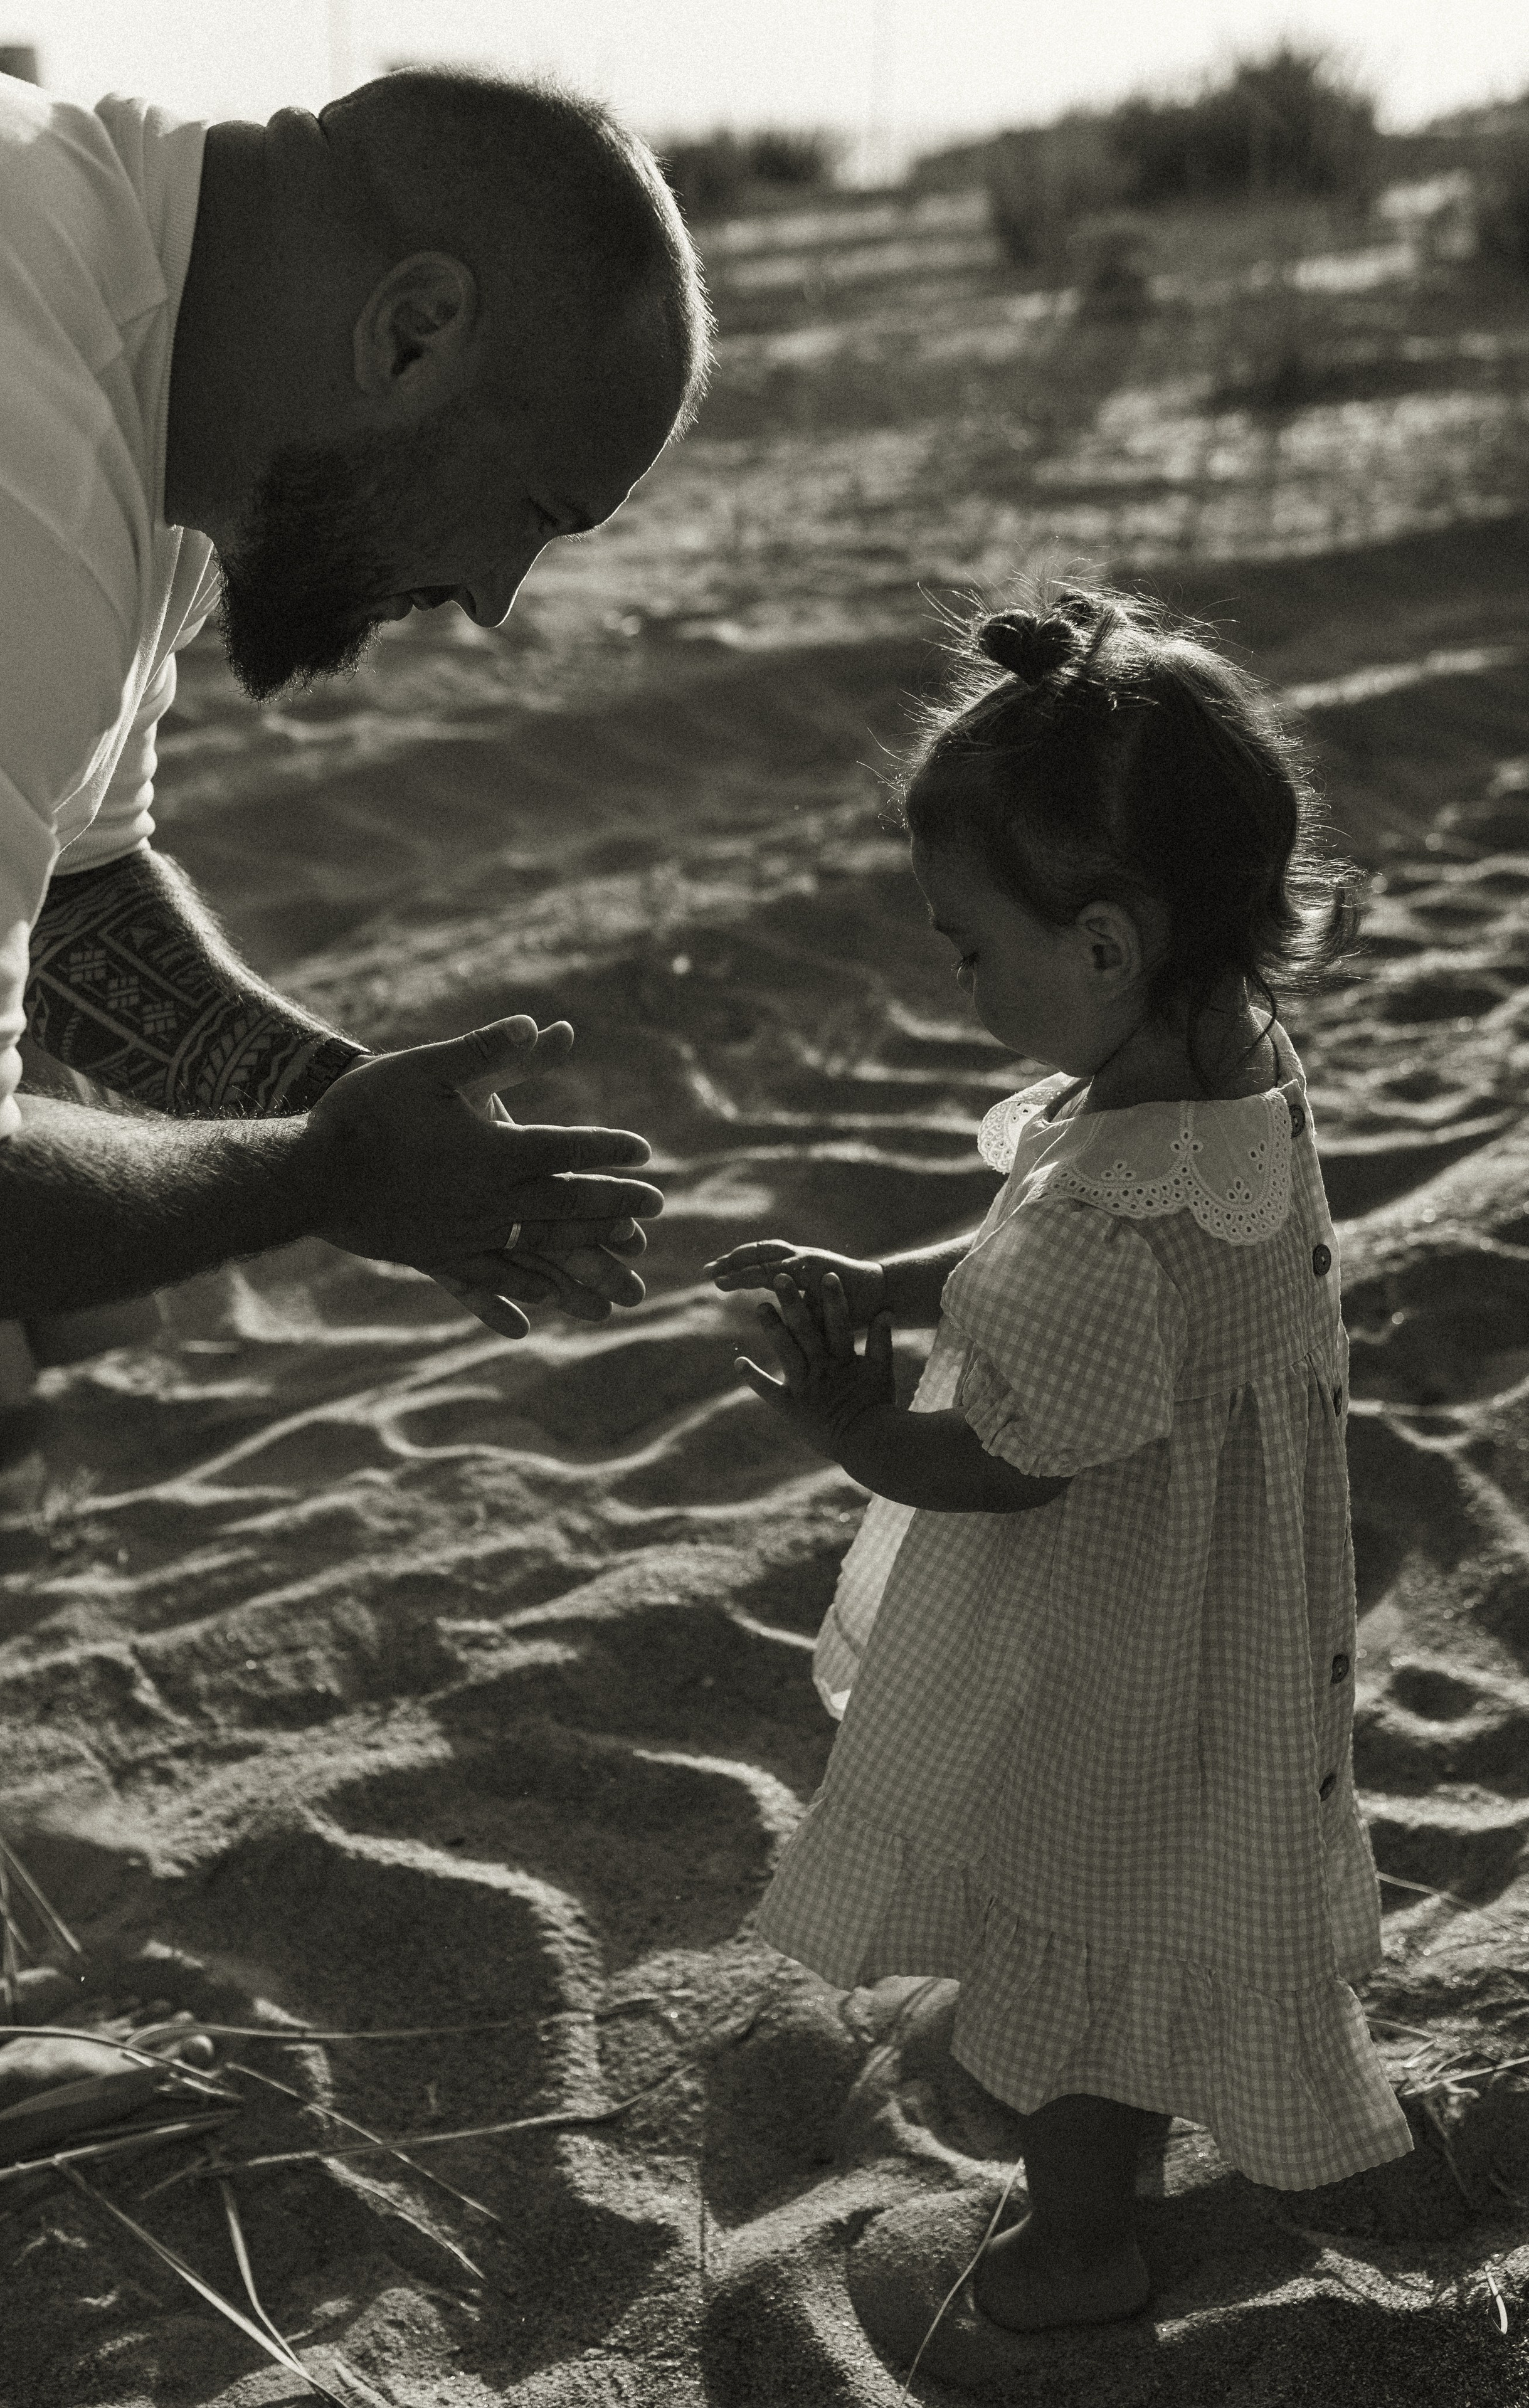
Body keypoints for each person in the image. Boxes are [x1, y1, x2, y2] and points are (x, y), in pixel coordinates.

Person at [0, 50, 709, 2148]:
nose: (495, 600)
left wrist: (353, 1106)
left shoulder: (116, 333)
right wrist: (316, 1180)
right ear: (416, 329)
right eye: (536, 510)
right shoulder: (3, 464)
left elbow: (70, 893)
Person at [708, 586, 1411, 2355]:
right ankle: (1117, 2186)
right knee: (1170, 1901)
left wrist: (854, 1429)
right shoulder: (1230, 1076)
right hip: (1231, 1623)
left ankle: (1085, 2246)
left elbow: (1017, 1457)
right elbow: (1083, 1283)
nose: (956, 977)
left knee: (1093, 1938)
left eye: (968, 946)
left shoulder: (1111, 1209)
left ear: (1102, 948)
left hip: (1123, 1643)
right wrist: (907, 1283)